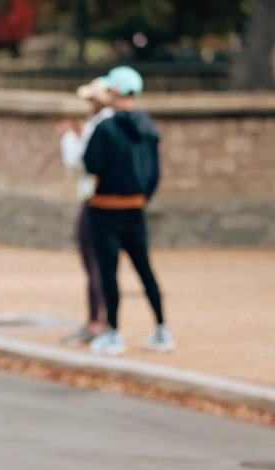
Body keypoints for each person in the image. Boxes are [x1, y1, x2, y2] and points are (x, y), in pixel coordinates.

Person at [83, 66, 174, 355]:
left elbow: (91, 165)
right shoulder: (148, 128)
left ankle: (114, 331)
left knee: (109, 272)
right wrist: (142, 195)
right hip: (135, 206)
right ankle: (161, 328)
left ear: (115, 92)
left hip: (105, 206)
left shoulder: (104, 128)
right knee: (145, 268)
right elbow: (155, 173)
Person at [56, 78, 114, 346]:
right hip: (114, 200)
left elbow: (79, 163)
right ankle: (106, 321)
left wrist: (69, 136)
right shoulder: (117, 123)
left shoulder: (97, 126)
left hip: (93, 199)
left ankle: (95, 322)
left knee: (93, 261)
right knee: (104, 263)